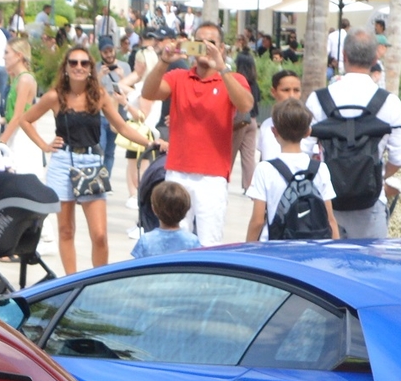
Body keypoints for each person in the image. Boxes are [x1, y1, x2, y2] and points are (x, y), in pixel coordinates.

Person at [3, 43, 144, 274]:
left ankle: (98, 281)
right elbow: (25, 120)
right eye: (73, 62)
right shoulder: (55, 96)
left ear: (90, 67)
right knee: (66, 229)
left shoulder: (98, 95)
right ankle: (72, 281)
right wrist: (45, 145)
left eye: (84, 63)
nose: (79, 67)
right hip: (63, 162)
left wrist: (150, 143)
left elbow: (121, 126)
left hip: (91, 162)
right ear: (66, 68)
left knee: (99, 235)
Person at [141, 20, 253, 246]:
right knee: (173, 243)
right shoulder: (179, 76)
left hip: (212, 177)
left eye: (211, 43)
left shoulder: (232, 79)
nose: (206, 47)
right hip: (177, 172)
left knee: (209, 243)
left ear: (221, 49)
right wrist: (164, 61)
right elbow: (149, 92)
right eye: (200, 42)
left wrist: (222, 68)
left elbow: (245, 105)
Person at [308, 30, 401, 242]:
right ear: (375, 59)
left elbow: (304, 151)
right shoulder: (390, 103)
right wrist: (375, 175)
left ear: (343, 55)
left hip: (327, 203)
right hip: (370, 204)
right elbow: (399, 159)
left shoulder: (318, 100)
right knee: (368, 269)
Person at [244, 100, 337, 243]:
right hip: (311, 248)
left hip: (275, 248)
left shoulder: (265, 169)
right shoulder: (320, 168)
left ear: (274, 131)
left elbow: (257, 220)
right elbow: (330, 220)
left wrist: (247, 249)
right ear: (308, 132)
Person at [131, 180, 197, 258]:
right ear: (186, 210)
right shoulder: (193, 242)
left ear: (154, 209)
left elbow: (138, 266)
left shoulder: (146, 241)